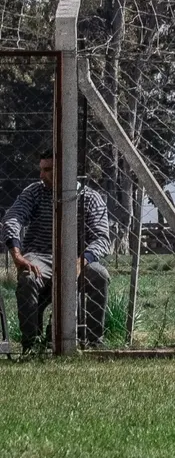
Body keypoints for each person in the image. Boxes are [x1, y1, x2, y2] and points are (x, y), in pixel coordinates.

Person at [1, 148, 111, 351]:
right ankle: (32, 345)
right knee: (28, 277)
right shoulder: (35, 192)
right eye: (41, 169)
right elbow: (13, 217)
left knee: (99, 274)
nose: (41, 175)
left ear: (66, 170)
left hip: (78, 258)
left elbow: (102, 238)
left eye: (48, 170)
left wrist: (81, 261)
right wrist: (17, 254)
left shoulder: (91, 198)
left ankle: (94, 342)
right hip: (40, 255)